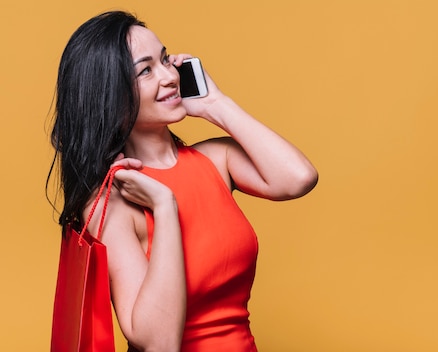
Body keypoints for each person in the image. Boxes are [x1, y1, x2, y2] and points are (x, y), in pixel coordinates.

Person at [47, 10, 318, 352]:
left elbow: (298, 178)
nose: (169, 76)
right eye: (146, 70)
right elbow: (159, 344)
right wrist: (163, 205)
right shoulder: (111, 201)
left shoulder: (215, 160)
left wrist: (214, 104)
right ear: (110, 97)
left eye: (165, 60)